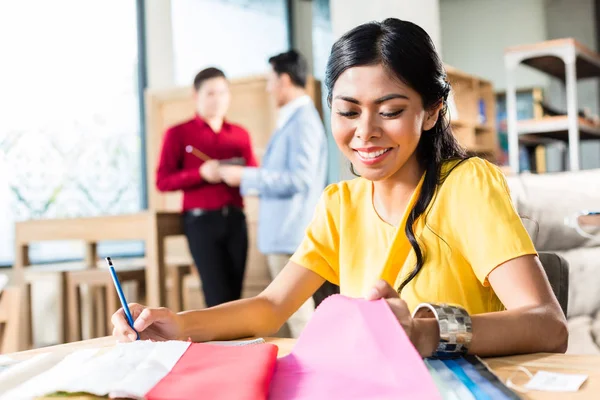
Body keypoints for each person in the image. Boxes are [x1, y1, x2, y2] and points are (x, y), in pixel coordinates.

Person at [114, 19, 568, 358]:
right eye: (348, 112)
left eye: (389, 110)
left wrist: (428, 331)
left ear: (431, 112)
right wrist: (178, 324)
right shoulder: (340, 203)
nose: (364, 132)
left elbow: (548, 326)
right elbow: (271, 306)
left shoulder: (466, 185)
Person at [218, 50, 330, 337]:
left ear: (284, 79)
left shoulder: (303, 120)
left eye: (270, 80)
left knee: (299, 317)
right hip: (284, 234)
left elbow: (299, 179)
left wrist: (245, 176)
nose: (268, 88)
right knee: (291, 317)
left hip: (289, 233)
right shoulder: (294, 119)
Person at [155, 67, 257, 308]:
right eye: (211, 93)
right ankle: (220, 346)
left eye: (222, 93)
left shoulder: (240, 134)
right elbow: (163, 181)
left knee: (236, 296)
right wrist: (199, 173)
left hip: (236, 221)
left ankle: (238, 346)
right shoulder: (178, 133)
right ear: (196, 95)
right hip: (200, 223)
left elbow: (254, 174)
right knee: (216, 296)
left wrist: (240, 175)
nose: (217, 99)